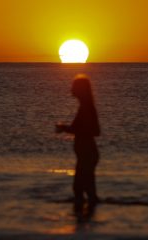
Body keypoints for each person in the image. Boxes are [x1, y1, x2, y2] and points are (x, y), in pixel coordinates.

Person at [56, 74, 100, 208]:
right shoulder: (85, 107)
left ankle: (85, 220)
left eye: (74, 86)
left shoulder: (86, 108)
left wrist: (64, 128)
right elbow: (81, 129)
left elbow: (94, 131)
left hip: (87, 154)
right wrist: (67, 128)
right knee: (82, 188)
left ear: (81, 89)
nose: (71, 89)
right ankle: (86, 218)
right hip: (85, 154)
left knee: (81, 188)